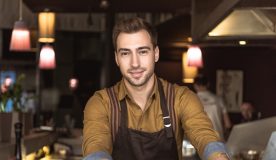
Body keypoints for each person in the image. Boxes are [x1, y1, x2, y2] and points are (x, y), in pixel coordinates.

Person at [82, 17, 230, 160]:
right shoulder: (101, 103)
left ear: (156, 54)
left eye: (143, 51)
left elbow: (204, 135)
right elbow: (96, 145)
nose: (135, 63)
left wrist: (218, 157)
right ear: (116, 58)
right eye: (126, 53)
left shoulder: (181, 98)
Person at [193, 75, 232, 141]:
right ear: (208, 84)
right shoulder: (219, 99)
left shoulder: (191, 101)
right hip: (218, 138)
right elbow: (228, 124)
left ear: (195, 86)